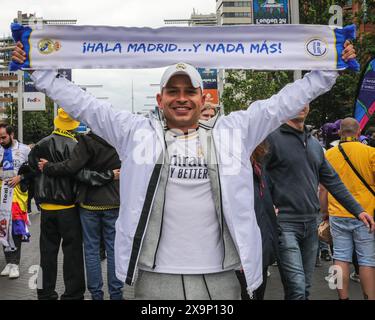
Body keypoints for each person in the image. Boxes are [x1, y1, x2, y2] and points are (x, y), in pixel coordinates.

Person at [13, 40, 370, 300]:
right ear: (160, 99)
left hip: (220, 273)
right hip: (156, 274)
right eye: (172, 91)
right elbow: (83, 103)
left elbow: (284, 102)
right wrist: (39, 69)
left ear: (204, 99)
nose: (181, 97)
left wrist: (328, 68)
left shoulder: (236, 131)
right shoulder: (135, 133)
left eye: (189, 91)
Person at [264, 105, 374, 300]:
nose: (300, 105)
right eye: (296, 101)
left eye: (305, 101)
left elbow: (331, 182)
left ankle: (343, 297)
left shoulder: (316, 146)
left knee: (313, 281)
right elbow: (259, 176)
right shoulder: (271, 138)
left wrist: (357, 211)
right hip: (286, 225)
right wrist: (267, 206)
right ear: (358, 131)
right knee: (298, 287)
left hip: (321, 220)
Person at [38, 131, 124, 300]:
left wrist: (48, 167)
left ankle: (96, 295)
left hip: (89, 203)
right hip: (114, 201)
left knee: (91, 251)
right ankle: (116, 294)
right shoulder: (119, 139)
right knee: (114, 250)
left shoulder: (86, 141)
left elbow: (71, 168)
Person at [28, 108, 86, 300]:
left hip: (46, 209)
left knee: (47, 254)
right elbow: (79, 175)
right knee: (72, 254)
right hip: (69, 209)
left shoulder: (40, 145)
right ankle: (73, 294)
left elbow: (33, 169)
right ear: (72, 126)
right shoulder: (75, 145)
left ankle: (44, 293)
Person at [323, 117, 375, 300]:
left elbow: (324, 188)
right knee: (367, 260)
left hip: (337, 213)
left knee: (339, 259)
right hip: (366, 214)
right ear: (359, 132)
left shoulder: (329, 154)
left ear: (339, 132)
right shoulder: (371, 153)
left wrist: (325, 214)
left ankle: (342, 297)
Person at [236, 141, 279, 300]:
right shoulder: (232, 171)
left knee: (258, 294)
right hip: (241, 253)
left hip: (261, 247)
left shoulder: (259, 168)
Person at [0, 124, 30, 279]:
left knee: (15, 228)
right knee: (3, 227)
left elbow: (34, 170)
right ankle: (8, 262)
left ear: (12, 134)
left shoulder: (25, 150)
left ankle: (15, 264)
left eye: (3, 137)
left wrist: (20, 177)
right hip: (2, 195)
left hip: (17, 196)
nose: (1, 140)